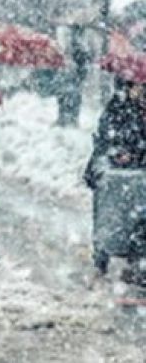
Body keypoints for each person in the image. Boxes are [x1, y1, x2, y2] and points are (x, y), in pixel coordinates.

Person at [84, 77, 146, 281]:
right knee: (110, 208)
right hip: (115, 169)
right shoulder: (118, 108)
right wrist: (119, 152)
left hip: (138, 170)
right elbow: (106, 138)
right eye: (140, 87)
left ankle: (136, 258)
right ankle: (101, 260)